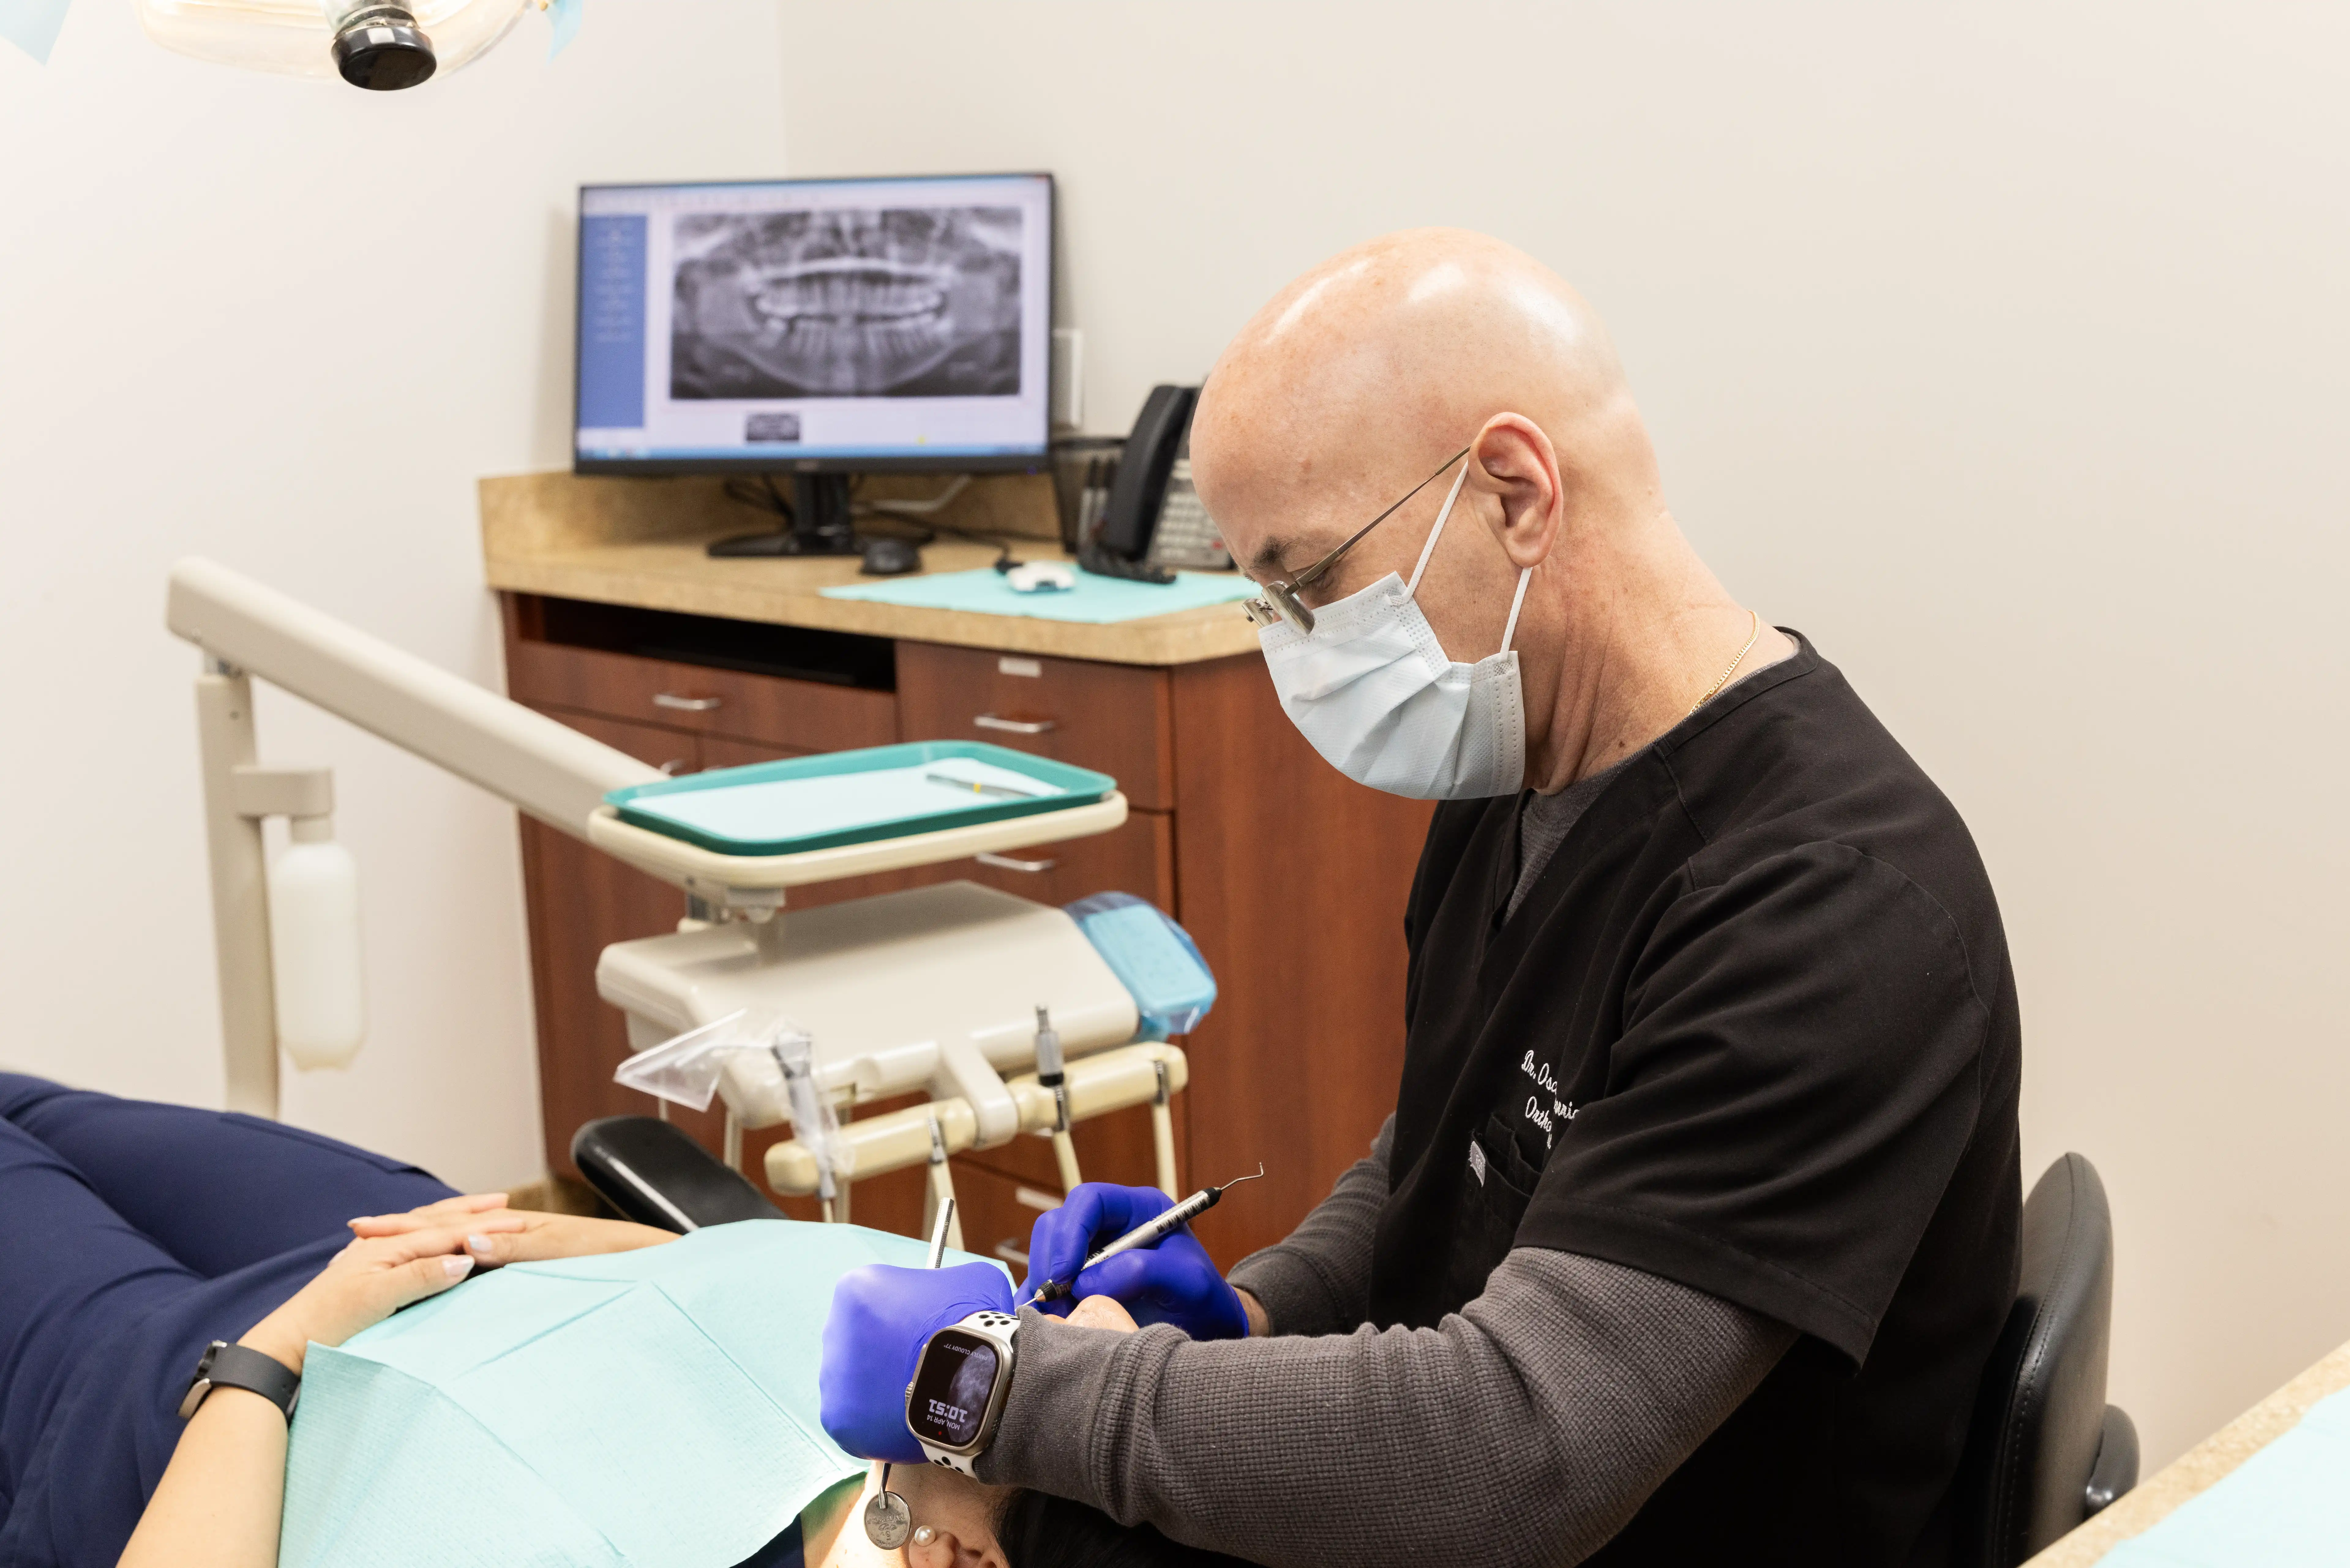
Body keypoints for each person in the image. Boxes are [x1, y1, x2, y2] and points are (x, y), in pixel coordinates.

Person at [818, 229, 2023, 1568]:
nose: (1291, 646)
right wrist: (1258, 1308)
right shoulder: (1517, 774)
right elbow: (1451, 1152)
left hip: (1594, 1518)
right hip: (1495, 1488)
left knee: (979, 1525)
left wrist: (992, 1394)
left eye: (1306, 582)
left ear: (1514, 492)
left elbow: (1519, 1453)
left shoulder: (1826, 911)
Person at [0, 1073, 1239, 1568]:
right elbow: (725, 1290)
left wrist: (276, 1351)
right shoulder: (950, 1363)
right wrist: (545, 1242)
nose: (1053, 1314)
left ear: (960, 1559)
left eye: (1047, 1356)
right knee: (32, 1106)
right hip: (431, 1252)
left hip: (201, 1412)